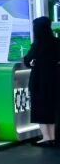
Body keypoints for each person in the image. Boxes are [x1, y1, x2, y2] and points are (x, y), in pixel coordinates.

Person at [22, 16, 59, 146]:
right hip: (54, 80)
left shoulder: (37, 44)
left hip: (39, 80)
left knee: (39, 107)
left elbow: (27, 60)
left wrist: (28, 61)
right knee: (50, 108)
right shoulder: (56, 42)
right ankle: (52, 137)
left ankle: (46, 137)